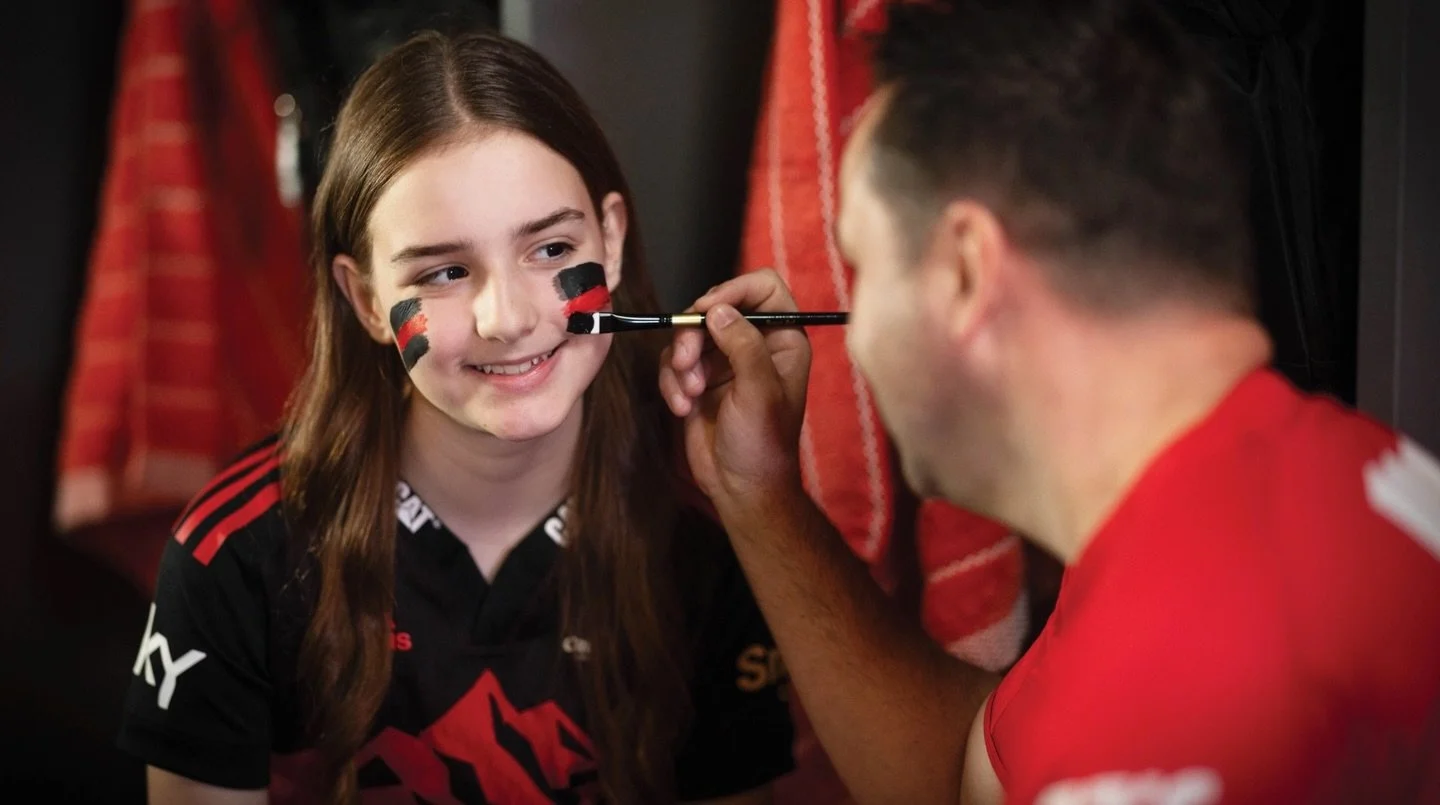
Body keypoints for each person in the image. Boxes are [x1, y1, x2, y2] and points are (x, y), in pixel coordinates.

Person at [660, 1, 1440, 804]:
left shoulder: (1147, 743)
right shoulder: (1306, 492)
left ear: (965, 272)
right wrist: (760, 493)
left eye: (864, 269)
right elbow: (971, 777)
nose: (853, 347)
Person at [118, 29, 793, 805]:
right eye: (443, 271)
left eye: (548, 249)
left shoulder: (707, 531)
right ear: (367, 300)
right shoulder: (235, 555)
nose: (505, 317)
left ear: (608, 240)